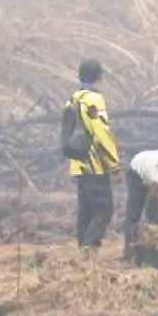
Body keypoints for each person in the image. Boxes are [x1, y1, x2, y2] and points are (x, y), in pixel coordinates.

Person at [63, 58, 120, 250]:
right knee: (104, 210)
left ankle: (83, 250)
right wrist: (113, 164)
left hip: (77, 164)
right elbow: (102, 132)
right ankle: (88, 248)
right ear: (98, 77)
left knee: (86, 210)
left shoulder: (72, 99)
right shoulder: (94, 100)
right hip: (94, 163)